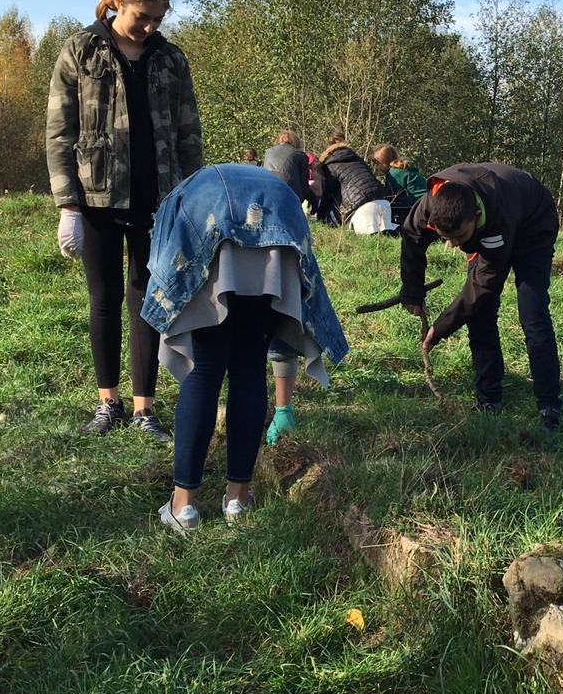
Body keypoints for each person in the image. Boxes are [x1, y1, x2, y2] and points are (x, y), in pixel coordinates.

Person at [141, 164, 347, 530]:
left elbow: (166, 258)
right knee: (250, 368)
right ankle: (237, 499)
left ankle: (183, 506)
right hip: (276, 237)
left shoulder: (183, 192)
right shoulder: (267, 184)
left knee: (203, 370)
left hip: (214, 230)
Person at [46, 0, 203, 440]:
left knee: (146, 298)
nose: (151, 27)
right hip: (95, 198)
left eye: (158, 18)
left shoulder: (171, 60)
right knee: (104, 297)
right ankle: (106, 402)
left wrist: (193, 198)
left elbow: (188, 133)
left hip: (158, 200)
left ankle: (144, 409)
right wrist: (67, 204)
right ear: (118, 2)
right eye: (143, 17)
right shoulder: (81, 51)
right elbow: (59, 132)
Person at [398, 162, 563, 429]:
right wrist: (412, 291)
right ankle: (489, 399)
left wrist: (440, 328)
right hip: (491, 224)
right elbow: (412, 237)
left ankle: (549, 404)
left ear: (474, 216)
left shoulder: (497, 217)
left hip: (532, 226)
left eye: (459, 236)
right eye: (445, 237)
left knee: (532, 316)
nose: (452, 244)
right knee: (480, 317)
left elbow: (483, 285)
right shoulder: (430, 203)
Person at [258, 131, 316, 444]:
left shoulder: (268, 152)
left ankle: (277, 410)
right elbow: (299, 187)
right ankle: (282, 409)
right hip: (286, 213)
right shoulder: (297, 155)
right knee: (286, 316)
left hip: (261, 212)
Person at [318, 132, 394, 234]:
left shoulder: (330, 164)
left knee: (330, 217)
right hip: (382, 199)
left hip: (359, 205)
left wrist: (320, 215)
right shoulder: (358, 159)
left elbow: (329, 194)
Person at [371, 143, 427, 225]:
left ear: (385, 162)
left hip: (417, 206)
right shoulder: (403, 169)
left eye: (378, 164)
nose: (377, 168)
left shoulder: (394, 174)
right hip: (426, 202)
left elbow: (390, 198)